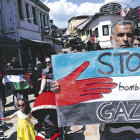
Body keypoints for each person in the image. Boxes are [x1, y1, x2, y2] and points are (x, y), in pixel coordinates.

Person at [51, 19, 138, 140]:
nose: (125, 39)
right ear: (112, 39)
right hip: (110, 133)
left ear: (133, 38)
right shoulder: (98, 64)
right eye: (120, 35)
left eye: (129, 35)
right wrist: (60, 91)